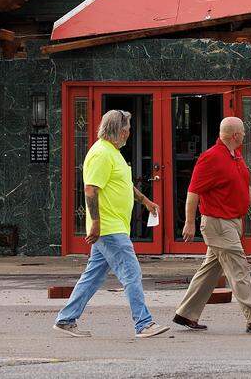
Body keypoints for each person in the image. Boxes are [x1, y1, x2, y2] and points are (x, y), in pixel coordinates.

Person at [54, 109, 169, 338]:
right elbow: (90, 189)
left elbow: (124, 184)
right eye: (127, 128)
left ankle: (66, 319)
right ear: (118, 129)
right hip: (109, 228)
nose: (129, 132)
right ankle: (143, 323)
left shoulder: (113, 152)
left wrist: (145, 201)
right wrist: (96, 222)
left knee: (93, 276)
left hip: (112, 226)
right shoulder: (101, 154)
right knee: (131, 272)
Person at [173, 116, 251, 333]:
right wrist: (189, 223)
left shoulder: (235, 156)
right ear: (236, 135)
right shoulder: (210, 158)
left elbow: (244, 187)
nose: (245, 135)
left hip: (231, 222)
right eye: (243, 132)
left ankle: (186, 313)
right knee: (238, 267)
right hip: (217, 223)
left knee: (210, 271)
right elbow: (193, 193)